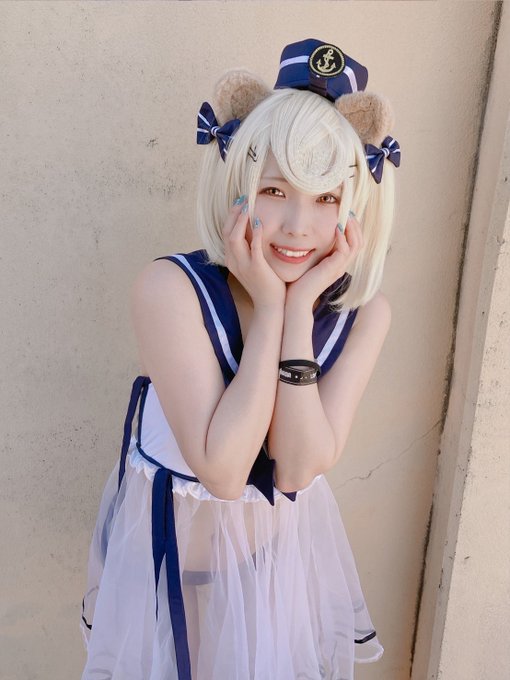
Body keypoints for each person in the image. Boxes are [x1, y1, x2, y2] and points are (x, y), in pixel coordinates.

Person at [80, 38, 400, 680]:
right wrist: (271, 308)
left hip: (273, 573)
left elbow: (297, 467)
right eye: (275, 189)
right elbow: (225, 471)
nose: (298, 225)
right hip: (161, 566)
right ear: (237, 186)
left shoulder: (363, 316)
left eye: (327, 198)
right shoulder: (170, 289)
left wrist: (298, 308)